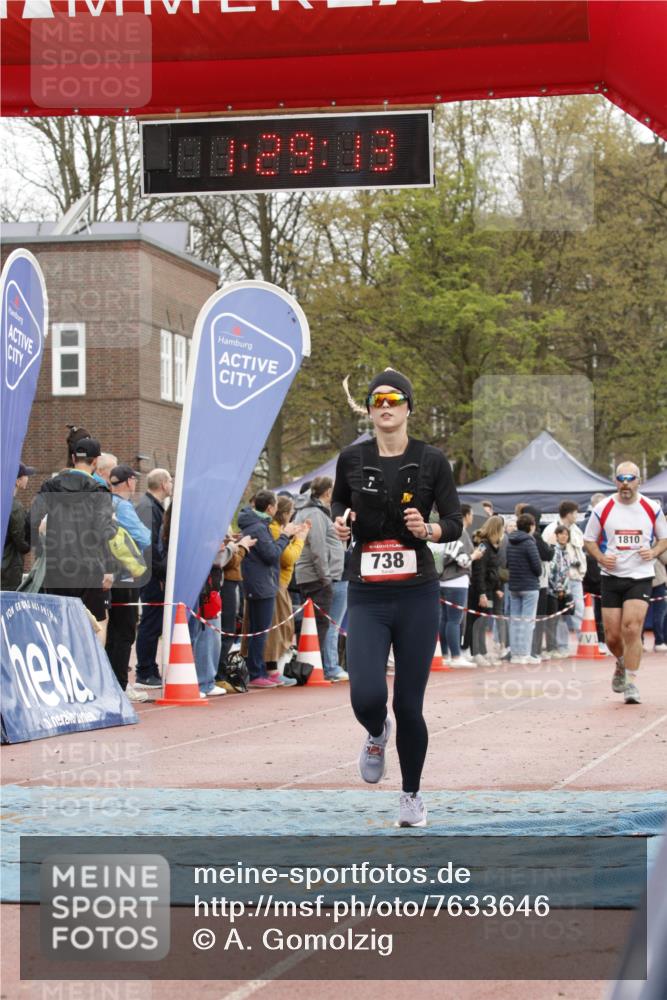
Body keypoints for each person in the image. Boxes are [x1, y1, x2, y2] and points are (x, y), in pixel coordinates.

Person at [332, 368, 462, 828]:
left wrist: (430, 530)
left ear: (408, 407)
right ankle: (374, 731)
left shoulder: (432, 460)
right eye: (377, 401)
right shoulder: (351, 458)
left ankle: (411, 796)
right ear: (368, 410)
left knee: (409, 704)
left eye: (394, 400)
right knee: (366, 694)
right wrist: (341, 524)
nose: (385, 407)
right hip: (367, 593)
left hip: (416, 594)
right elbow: (338, 506)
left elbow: (455, 520)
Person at [584, 462, 667, 704]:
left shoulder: (651, 507)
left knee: (632, 628)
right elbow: (589, 540)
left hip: (640, 576)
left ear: (639, 481)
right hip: (611, 576)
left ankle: (631, 682)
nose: (625, 483)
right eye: (621, 478)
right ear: (615, 481)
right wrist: (600, 557)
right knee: (612, 636)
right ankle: (620, 662)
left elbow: (664, 538)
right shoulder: (603, 507)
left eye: (630, 478)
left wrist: (653, 552)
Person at [30, 437, 115, 622]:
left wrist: (40, 546)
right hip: (89, 570)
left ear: (74, 458)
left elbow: (32, 520)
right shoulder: (99, 491)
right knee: (93, 625)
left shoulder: (50, 486)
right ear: (95, 461)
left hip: (56, 569)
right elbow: (103, 532)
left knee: (58, 623)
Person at [237, 490, 300, 688]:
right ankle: (257, 672)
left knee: (258, 629)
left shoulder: (255, 524)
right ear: (271, 508)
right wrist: (286, 536)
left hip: (258, 581)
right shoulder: (258, 527)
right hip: (262, 583)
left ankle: (257, 670)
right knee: (261, 630)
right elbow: (272, 554)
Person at [294, 476, 348, 682]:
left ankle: (314, 667)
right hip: (318, 577)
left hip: (315, 575)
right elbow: (317, 547)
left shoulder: (311, 512)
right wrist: (326, 576)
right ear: (327, 493)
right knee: (319, 625)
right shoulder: (315, 514)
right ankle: (317, 668)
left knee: (316, 624)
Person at [106, 465, 152, 703]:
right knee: (125, 631)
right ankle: (121, 685)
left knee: (111, 632)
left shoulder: (104, 502)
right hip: (124, 574)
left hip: (107, 575)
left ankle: (111, 682)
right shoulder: (122, 506)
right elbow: (144, 537)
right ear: (129, 482)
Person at [263, 496, 310, 684]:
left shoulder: (278, 529)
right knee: (279, 627)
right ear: (283, 513)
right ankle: (271, 670)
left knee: (283, 626)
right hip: (277, 584)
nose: (292, 517)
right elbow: (287, 558)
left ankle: (272, 669)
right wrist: (299, 540)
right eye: (291, 513)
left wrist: (291, 535)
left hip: (280, 583)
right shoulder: (274, 529)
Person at [134, 468, 173, 688]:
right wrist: (161, 571)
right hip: (152, 576)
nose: (171, 484)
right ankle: (144, 670)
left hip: (154, 573)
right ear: (162, 484)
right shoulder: (148, 509)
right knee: (150, 622)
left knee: (154, 622)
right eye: (169, 480)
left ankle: (150, 668)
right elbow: (149, 547)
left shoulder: (153, 507)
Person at [433, 503, 476, 668]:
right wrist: (475, 555)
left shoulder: (439, 530)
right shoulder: (459, 533)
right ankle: (456, 655)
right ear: (465, 515)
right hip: (457, 580)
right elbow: (463, 559)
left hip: (441, 579)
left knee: (444, 619)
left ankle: (445, 654)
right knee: (454, 620)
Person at [465, 515, 506, 667]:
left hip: (489, 590)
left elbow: (493, 570)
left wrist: (497, 588)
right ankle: (476, 652)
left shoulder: (494, 546)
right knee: (477, 622)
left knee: (484, 622)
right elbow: (479, 571)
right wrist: (481, 593)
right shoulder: (483, 546)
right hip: (479, 590)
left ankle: (482, 651)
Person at [543, 501, 586, 641]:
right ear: (568, 514)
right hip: (558, 581)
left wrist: (581, 571)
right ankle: (561, 645)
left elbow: (580, 552)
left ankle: (585, 641)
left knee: (579, 610)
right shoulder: (551, 530)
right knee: (560, 613)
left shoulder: (576, 530)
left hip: (575, 577)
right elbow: (548, 555)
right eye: (575, 513)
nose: (577, 516)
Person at [506, 511, 542, 664]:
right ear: (531, 526)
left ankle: (515, 653)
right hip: (529, 586)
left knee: (515, 620)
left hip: (514, 585)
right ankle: (525, 653)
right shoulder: (529, 542)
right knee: (527, 621)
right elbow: (537, 567)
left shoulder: (509, 541)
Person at [522, 505, 555, 662]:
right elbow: (547, 555)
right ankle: (534, 648)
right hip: (537, 582)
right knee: (537, 616)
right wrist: (552, 546)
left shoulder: (515, 536)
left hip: (518, 581)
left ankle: (519, 648)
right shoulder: (535, 537)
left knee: (519, 618)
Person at [1, 463, 34, 591]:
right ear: (17, 481)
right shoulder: (15, 507)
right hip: (7, 573)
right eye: (26, 475)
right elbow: (22, 546)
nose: (28, 478)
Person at [545, 525, 572, 658]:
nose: (564, 536)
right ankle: (551, 648)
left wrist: (565, 589)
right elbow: (552, 572)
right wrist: (559, 588)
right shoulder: (554, 551)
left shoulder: (566, 552)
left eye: (566, 534)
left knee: (561, 620)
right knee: (552, 620)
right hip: (552, 591)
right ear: (556, 536)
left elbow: (566, 571)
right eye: (561, 534)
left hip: (564, 592)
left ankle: (558, 646)